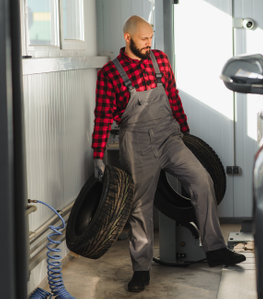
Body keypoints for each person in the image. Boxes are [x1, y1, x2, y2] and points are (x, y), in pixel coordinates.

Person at [91, 15, 246, 293]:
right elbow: (102, 116)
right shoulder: (110, 74)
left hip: (169, 136)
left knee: (201, 179)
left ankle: (215, 249)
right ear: (127, 38)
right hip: (137, 143)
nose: (149, 43)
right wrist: (97, 155)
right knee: (140, 206)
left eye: (151, 37)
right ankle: (141, 268)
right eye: (143, 39)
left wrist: (185, 133)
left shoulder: (160, 60)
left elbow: (172, 96)